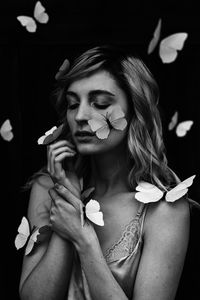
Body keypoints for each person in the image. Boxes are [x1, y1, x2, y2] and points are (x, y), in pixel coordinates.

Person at [18, 45, 192, 300]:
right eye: (72, 104)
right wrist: (69, 201)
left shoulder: (165, 210)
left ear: (135, 110)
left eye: (100, 103)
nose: (80, 115)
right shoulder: (47, 188)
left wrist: (83, 237)